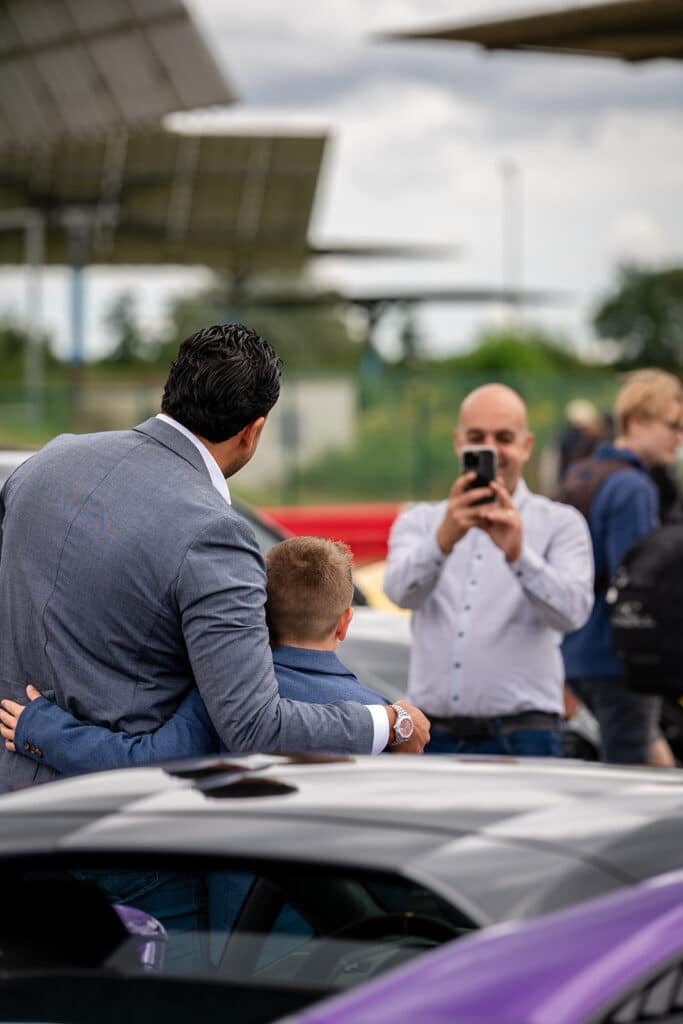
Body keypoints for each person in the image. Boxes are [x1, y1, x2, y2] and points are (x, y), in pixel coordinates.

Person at [1, 537, 388, 772]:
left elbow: (144, 763)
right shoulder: (386, 722)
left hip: (235, 907)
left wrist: (44, 730)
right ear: (344, 622)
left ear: (257, 611)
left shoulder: (216, 699)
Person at [383, 383, 594, 756]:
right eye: (478, 437)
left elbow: (573, 613)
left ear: (526, 446)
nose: (493, 450)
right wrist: (443, 540)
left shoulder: (562, 523)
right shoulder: (420, 521)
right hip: (434, 734)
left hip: (525, 734)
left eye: (505, 438)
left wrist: (519, 556)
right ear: (458, 442)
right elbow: (399, 592)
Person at [562, 368, 683, 766]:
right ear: (637, 421)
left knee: (644, 752)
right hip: (618, 661)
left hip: (574, 651)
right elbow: (641, 590)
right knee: (629, 780)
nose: (679, 437)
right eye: (673, 425)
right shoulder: (633, 486)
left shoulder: (582, 472)